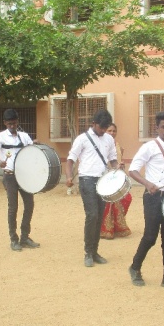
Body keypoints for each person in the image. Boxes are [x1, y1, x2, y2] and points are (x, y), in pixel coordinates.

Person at [127, 111, 164, 291]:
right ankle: (135, 267)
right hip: (153, 197)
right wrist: (147, 183)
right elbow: (133, 170)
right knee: (150, 236)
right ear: (157, 128)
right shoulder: (149, 147)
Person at [65, 110, 118, 267]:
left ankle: (95, 252)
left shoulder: (109, 139)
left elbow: (113, 159)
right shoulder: (82, 139)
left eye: (106, 128)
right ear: (93, 124)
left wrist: (118, 170)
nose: (103, 130)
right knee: (92, 215)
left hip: (103, 181)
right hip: (87, 180)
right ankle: (88, 253)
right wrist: (69, 176)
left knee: (99, 216)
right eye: (101, 127)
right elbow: (70, 160)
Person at [0, 109, 40, 251]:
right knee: (13, 208)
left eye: (14, 123)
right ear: (5, 123)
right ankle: (14, 239)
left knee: (29, 204)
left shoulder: (24, 136)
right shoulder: (0, 137)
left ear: (17, 122)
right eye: (9, 123)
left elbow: (32, 151)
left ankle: (25, 237)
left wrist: (35, 144)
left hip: (25, 176)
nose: (12, 126)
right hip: (10, 176)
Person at [100, 123, 131, 240]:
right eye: (109, 131)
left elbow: (118, 161)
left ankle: (117, 226)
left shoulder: (117, 145)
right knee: (109, 203)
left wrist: (121, 167)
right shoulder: (102, 145)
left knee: (126, 198)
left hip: (117, 177)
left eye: (114, 131)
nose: (112, 133)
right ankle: (106, 230)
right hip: (106, 177)